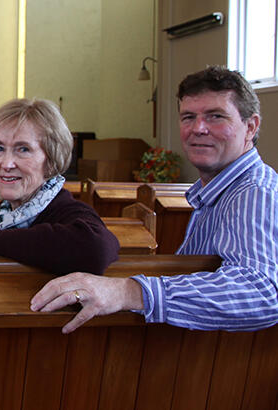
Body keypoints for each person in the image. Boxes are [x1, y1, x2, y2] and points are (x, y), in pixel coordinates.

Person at [32, 66, 278, 332]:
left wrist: (128, 291)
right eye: (188, 117)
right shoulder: (220, 191)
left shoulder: (254, 192)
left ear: (250, 127)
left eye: (215, 116)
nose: (198, 128)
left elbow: (261, 292)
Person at [0, 98, 119, 275]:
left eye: (23, 149)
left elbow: (96, 249)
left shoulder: (67, 211)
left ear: (51, 160)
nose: (6, 164)